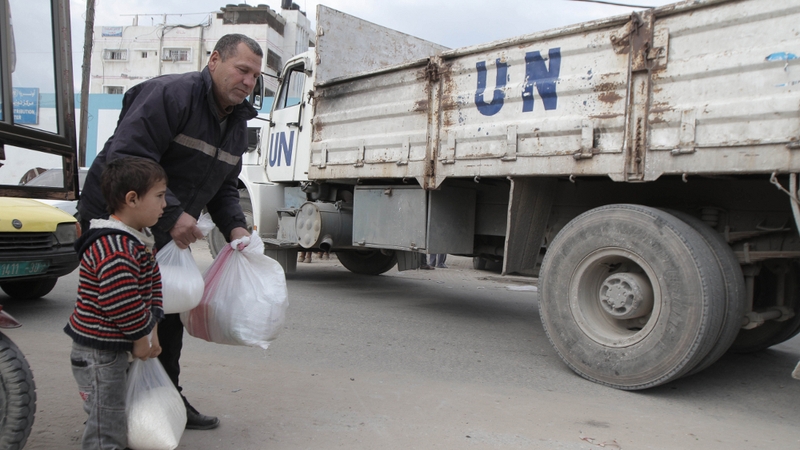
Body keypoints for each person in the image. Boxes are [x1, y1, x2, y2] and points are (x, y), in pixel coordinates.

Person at [77, 33, 263, 430]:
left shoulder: (235, 124)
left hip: (162, 225)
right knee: (116, 315)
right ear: (214, 60)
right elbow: (128, 156)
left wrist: (236, 229)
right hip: (116, 221)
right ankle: (110, 410)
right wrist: (175, 214)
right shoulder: (171, 95)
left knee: (167, 315)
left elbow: (224, 186)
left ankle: (161, 399)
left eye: (254, 76)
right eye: (242, 70)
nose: (248, 82)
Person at [65, 157, 167, 450]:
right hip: (99, 353)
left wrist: (153, 331)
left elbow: (152, 287)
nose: (165, 205)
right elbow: (120, 301)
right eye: (159, 196)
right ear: (132, 199)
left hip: (116, 346)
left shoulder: (140, 240)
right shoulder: (114, 246)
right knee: (106, 422)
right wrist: (140, 338)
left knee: (114, 413)